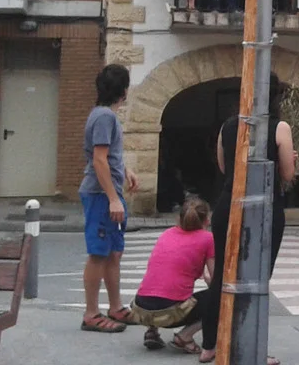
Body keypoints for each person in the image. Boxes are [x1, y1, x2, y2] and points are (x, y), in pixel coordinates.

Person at [199, 73, 295, 364]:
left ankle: (210, 345)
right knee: (257, 278)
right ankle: (250, 347)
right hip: (266, 209)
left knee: (221, 276)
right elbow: (288, 174)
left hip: (229, 203)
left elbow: (223, 166)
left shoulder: (228, 126)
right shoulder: (279, 128)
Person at [79, 64, 139, 334]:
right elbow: (99, 159)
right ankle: (91, 314)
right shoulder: (105, 117)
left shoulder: (103, 115)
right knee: (99, 254)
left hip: (108, 192)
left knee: (114, 252)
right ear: (123, 91)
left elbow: (107, 155)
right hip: (101, 195)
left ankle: (116, 307)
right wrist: (113, 199)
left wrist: (125, 170)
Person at [133, 197, 215, 354]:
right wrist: (207, 278)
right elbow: (215, 280)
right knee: (219, 298)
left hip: (141, 308)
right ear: (207, 220)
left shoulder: (167, 233)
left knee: (159, 285)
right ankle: (185, 336)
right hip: (170, 313)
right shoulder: (207, 238)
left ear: (179, 218)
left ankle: (152, 331)